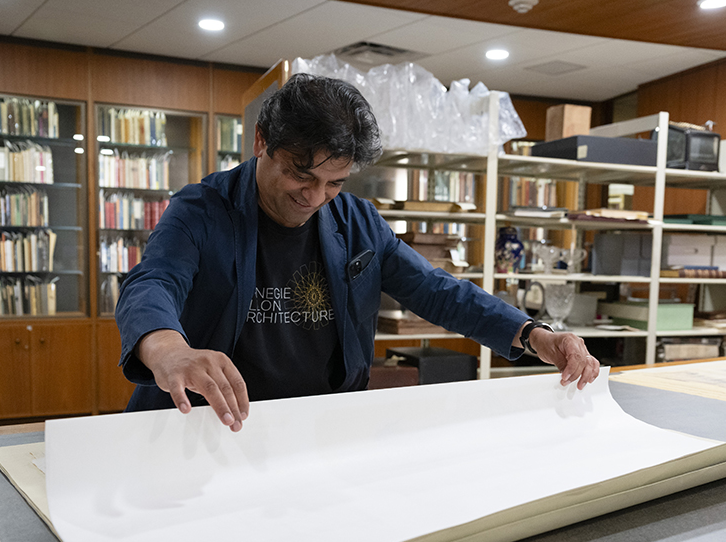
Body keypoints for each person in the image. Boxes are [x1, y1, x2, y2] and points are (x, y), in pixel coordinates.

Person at [115, 74, 599, 431]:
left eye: (333, 182)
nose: (313, 196)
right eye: (300, 175)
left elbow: (437, 291)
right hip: (208, 426)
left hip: (319, 425)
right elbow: (154, 281)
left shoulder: (356, 221)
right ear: (262, 140)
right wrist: (168, 348)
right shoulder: (201, 209)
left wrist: (534, 334)